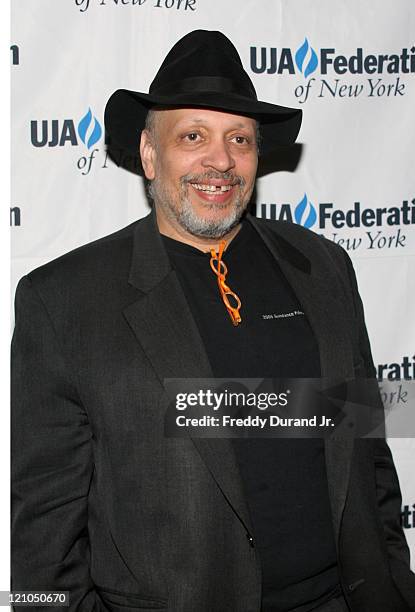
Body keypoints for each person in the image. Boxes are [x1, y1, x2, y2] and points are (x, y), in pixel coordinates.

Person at [11, 30, 415, 612]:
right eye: (193, 136)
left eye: (239, 139)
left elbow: (367, 453)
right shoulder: (63, 300)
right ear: (150, 154)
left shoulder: (323, 265)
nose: (220, 160)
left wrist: (395, 584)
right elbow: (42, 527)